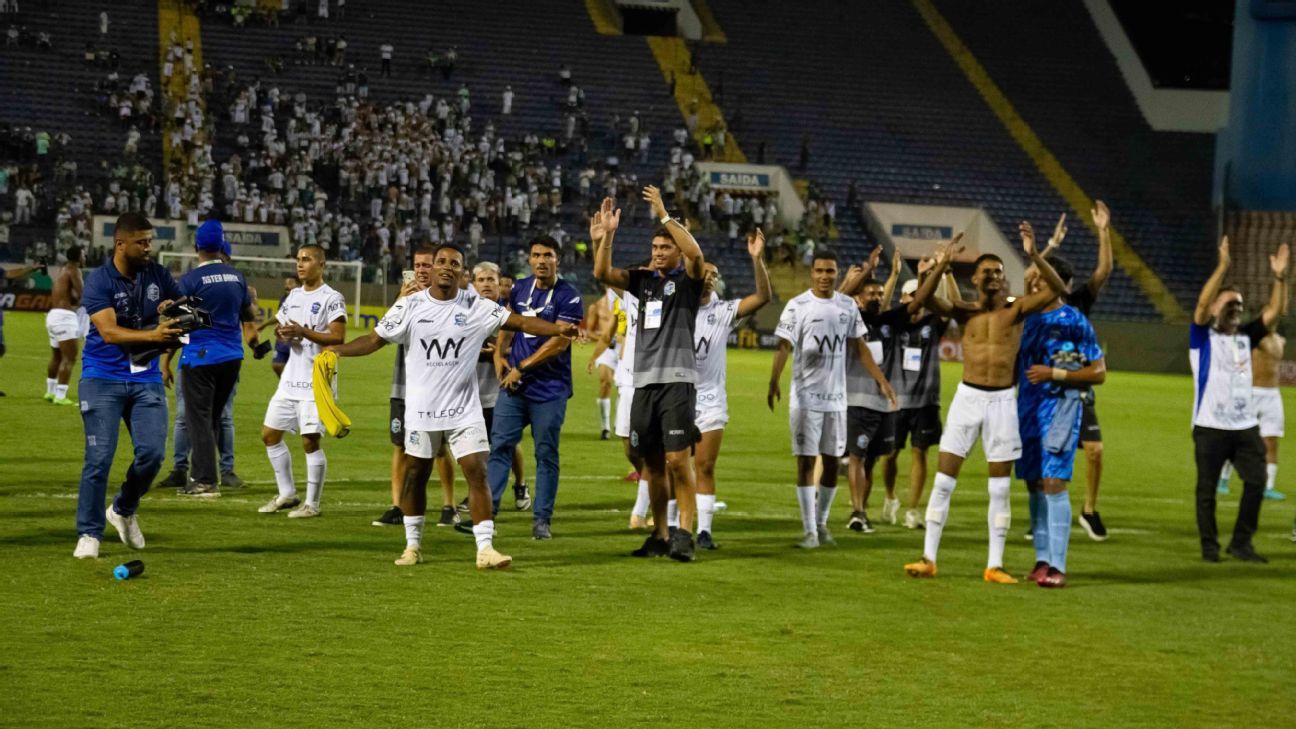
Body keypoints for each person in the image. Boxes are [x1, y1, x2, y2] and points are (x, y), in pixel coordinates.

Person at [328, 243, 577, 568]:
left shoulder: (477, 305)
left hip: (464, 409)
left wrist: (557, 328)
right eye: (441, 262)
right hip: (421, 409)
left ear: (463, 272)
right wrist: (338, 352)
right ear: (430, 268)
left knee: (476, 470)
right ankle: (412, 546)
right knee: (416, 474)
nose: (447, 267)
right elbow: (373, 340)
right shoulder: (410, 306)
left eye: (454, 263)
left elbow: (520, 323)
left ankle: (485, 549)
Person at [902, 224, 1066, 582]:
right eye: (987, 272)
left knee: (1000, 487)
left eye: (998, 272)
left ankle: (994, 564)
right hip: (968, 398)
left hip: (1003, 401)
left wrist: (1036, 254)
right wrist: (942, 264)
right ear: (974, 278)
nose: (993, 277)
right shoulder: (964, 312)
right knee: (944, 481)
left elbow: (1058, 288)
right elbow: (922, 301)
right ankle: (928, 557)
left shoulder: (1016, 309)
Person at [594, 189, 706, 561]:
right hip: (643, 383)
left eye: (665, 247)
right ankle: (660, 534)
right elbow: (601, 273)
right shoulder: (643, 281)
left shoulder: (689, 281)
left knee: (678, 460)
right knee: (652, 464)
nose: (659, 252)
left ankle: (685, 533)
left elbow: (696, 255)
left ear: (675, 249)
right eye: (655, 247)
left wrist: (663, 214)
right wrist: (608, 236)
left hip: (676, 381)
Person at [73, 213, 184, 559]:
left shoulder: (158, 275)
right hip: (101, 376)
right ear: (120, 244)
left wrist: (177, 312)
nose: (149, 248)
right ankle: (89, 533)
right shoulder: (99, 281)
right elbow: (108, 332)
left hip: (145, 376)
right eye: (143, 242)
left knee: (152, 455)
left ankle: (122, 509)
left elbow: (187, 313)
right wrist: (155, 333)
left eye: (150, 241)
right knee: (99, 458)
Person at [768, 249, 896, 549]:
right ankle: (809, 530)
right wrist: (774, 381)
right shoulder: (797, 306)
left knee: (830, 462)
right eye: (820, 271)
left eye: (830, 271)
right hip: (805, 398)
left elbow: (860, 346)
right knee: (805, 463)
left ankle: (822, 523)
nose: (825, 276)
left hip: (837, 401)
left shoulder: (847, 306)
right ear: (811, 273)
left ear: (837, 274)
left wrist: (882, 380)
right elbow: (783, 346)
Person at [1189, 237, 1287, 563]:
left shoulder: (1246, 337)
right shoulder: (1202, 337)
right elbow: (1201, 307)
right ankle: (1209, 547)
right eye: (1229, 303)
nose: (1236, 309)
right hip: (1210, 426)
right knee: (1206, 492)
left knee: (1257, 482)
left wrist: (1280, 278)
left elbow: (1273, 313)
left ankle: (1241, 542)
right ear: (1216, 307)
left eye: (1240, 305)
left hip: (1245, 427)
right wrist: (1223, 267)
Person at [1017, 254, 1106, 588]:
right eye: (1034, 277)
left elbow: (1099, 372)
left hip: (1061, 407)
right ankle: (1042, 559)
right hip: (1027, 409)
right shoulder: (1023, 316)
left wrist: (1055, 373)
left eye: (1042, 277)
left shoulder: (1074, 321)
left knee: (1054, 483)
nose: (1035, 282)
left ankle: (1058, 565)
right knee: (1035, 484)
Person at [485, 235, 583, 539]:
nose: (542, 260)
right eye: (536, 255)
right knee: (499, 447)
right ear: (529, 259)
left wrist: (521, 368)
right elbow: (508, 322)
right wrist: (500, 355)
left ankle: (542, 519)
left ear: (558, 260)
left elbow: (558, 342)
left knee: (546, 454)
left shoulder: (570, 296)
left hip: (549, 389)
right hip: (514, 387)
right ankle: (487, 515)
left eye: (548, 255)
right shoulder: (519, 287)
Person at [164, 221, 263, 498]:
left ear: (197, 248)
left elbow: (183, 324)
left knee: (199, 420)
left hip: (201, 357)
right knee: (213, 419)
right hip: (232, 357)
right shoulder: (237, 278)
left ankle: (205, 481)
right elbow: (248, 317)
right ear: (221, 247)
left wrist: (165, 357)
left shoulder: (191, 281)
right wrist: (253, 342)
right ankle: (209, 474)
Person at [691, 228, 771, 549]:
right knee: (676, 468)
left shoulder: (724, 312)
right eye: (704, 272)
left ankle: (705, 532)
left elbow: (763, 298)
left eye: (715, 275)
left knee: (705, 466)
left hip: (710, 401)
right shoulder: (675, 308)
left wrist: (757, 259)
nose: (709, 278)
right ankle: (672, 527)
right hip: (677, 399)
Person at [257, 244, 347, 518]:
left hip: (315, 382)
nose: (300, 264)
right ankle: (287, 493)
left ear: (321, 264)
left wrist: (303, 332)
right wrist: (285, 334)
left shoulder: (332, 297)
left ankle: (312, 504)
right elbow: (286, 327)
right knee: (270, 435)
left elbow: (338, 337)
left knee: (310, 440)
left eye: (306, 259)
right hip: (290, 380)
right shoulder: (294, 295)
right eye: (298, 259)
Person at [1045, 205, 1114, 540]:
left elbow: (1104, 270)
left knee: (1095, 450)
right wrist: (1050, 246)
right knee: (1046, 457)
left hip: (1079, 388)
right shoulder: (1034, 308)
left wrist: (1103, 229)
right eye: (1061, 281)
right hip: (1045, 392)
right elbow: (1031, 272)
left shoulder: (1078, 304)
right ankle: (1041, 511)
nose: (1066, 287)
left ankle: (1089, 510)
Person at [884, 266, 952, 530]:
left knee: (919, 452)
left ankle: (913, 509)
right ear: (902, 299)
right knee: (889, 455)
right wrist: (893, 276)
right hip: (896, 401)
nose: (916, 300)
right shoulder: (892, 324)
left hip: (925, 402)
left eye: (919, 296)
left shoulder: (932, 324)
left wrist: (943, 274)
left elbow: (947, 305)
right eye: (911, 296)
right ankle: (890, 497)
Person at [44, 246, 84, 405]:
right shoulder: (74, 270)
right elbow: (81, 293)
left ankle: (50, 391)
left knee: (56, 356)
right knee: (70, 357)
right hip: (65, 317)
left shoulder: (62, 270)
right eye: (83, 255)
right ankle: (61, 396)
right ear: (79, 257)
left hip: (53, 315)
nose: (85, 257)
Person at [586, 285, 618, 439]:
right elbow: (590, 331)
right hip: (605, 349)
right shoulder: (596, 306)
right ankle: (605, 427)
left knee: (623, 386)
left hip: (624, 347)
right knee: (605, 382)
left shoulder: (625, 303)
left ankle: (619, 423)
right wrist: (604, 339)